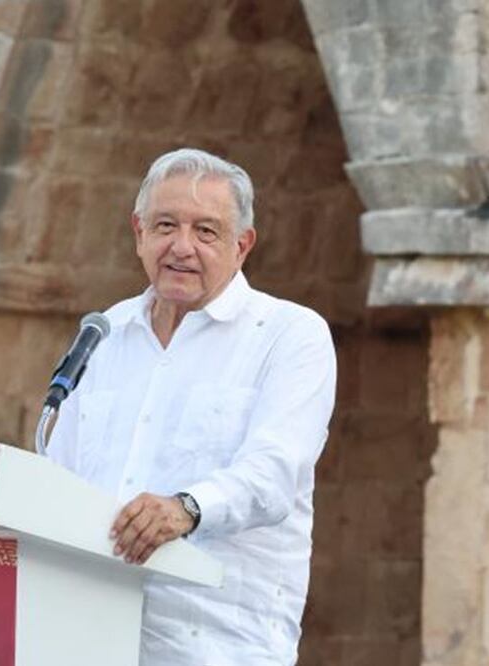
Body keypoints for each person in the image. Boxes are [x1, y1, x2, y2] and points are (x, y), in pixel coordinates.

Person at [45, 148, 337, 666]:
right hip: (89, 638)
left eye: (206, 231)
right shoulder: (104, 333)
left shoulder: (290, 336)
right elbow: (56, 476)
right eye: (165, 225)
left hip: (219, 644)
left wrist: (187, 508)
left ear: (242, 245)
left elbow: (274, 475)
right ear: (138, 233)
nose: (182, 246)